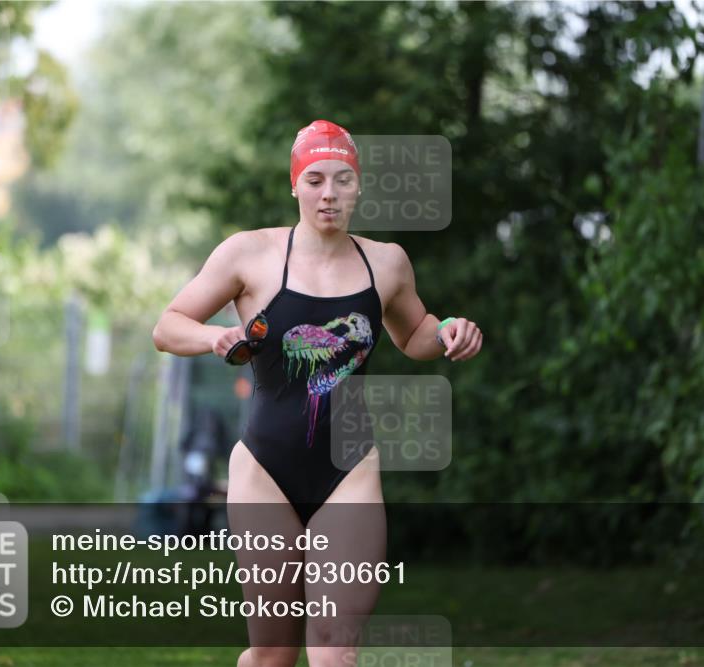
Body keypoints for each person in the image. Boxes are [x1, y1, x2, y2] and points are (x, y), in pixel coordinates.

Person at [152, 119, 482, 667]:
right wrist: (217, 337)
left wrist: (449, 329)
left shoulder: (387, 262)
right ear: (295, 185)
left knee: (335, 652)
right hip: (263, 471)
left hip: (349, 469)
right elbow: (168, 327)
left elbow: (415, 334)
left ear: (359, 186)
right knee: (273, 655)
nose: (329, 193)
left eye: (343, 179)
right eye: (315, 180)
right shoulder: (248, 254)